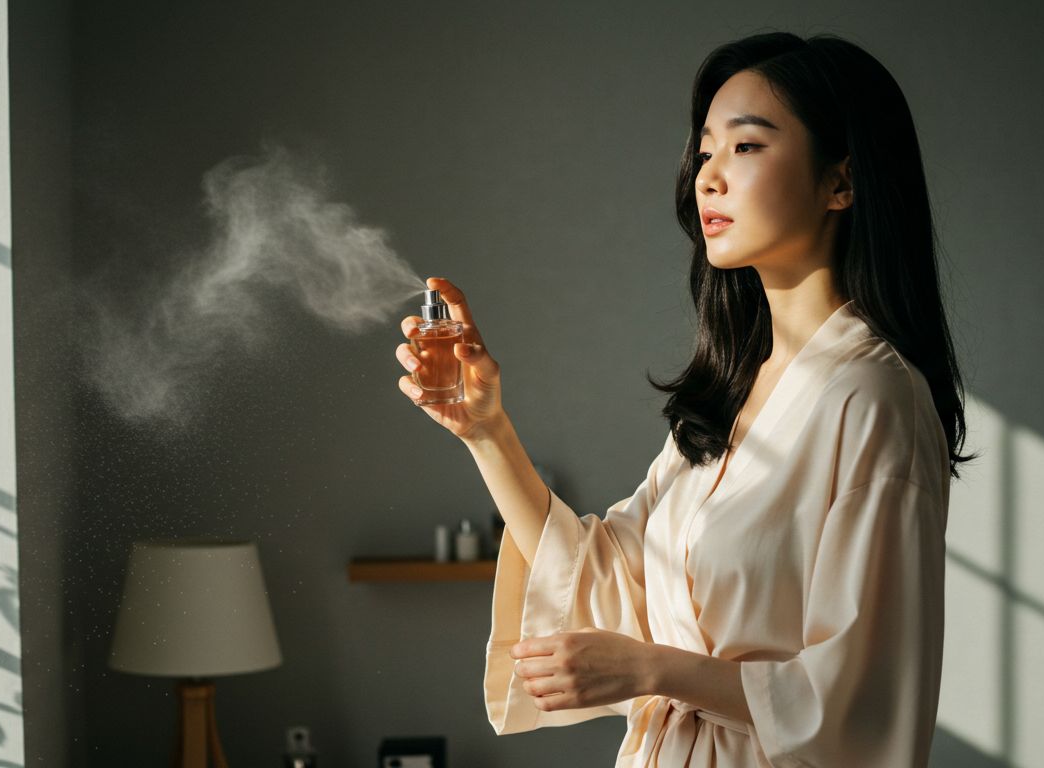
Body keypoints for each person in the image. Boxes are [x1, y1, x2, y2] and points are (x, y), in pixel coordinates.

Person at [393, 30, 975, 768]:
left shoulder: (875, 399)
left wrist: (654, 670)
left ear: (840, 182)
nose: (709, 178)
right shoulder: (731, 393)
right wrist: (487, 433)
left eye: (746, 146)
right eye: (704, 152)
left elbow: (863, 702)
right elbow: (610, 585)